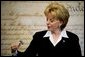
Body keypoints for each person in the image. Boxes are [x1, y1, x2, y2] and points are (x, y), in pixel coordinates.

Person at [11, 2, 82, 56]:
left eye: (51, 20)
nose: (47, 22)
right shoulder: (38, 36)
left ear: (61, 22)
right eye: (47, 19)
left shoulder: (73, 38)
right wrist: (15, 51)